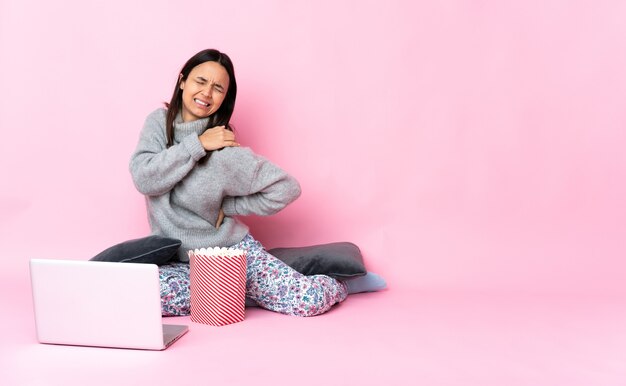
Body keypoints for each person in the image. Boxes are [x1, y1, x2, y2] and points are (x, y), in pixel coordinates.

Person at [130, 49, 384, 317]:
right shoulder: (159, 124)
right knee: (141, 298)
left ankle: (344, 284)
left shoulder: (225, 150)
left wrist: (228, 207)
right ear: (182, 81)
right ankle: (242, 294)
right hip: (178, 260)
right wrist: (198, 145)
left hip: (228, 253)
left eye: (218, 88)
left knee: (308, 302)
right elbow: (145, 179)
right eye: (200, 81)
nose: (206, 93)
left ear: (224, 98)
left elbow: (287, 188)